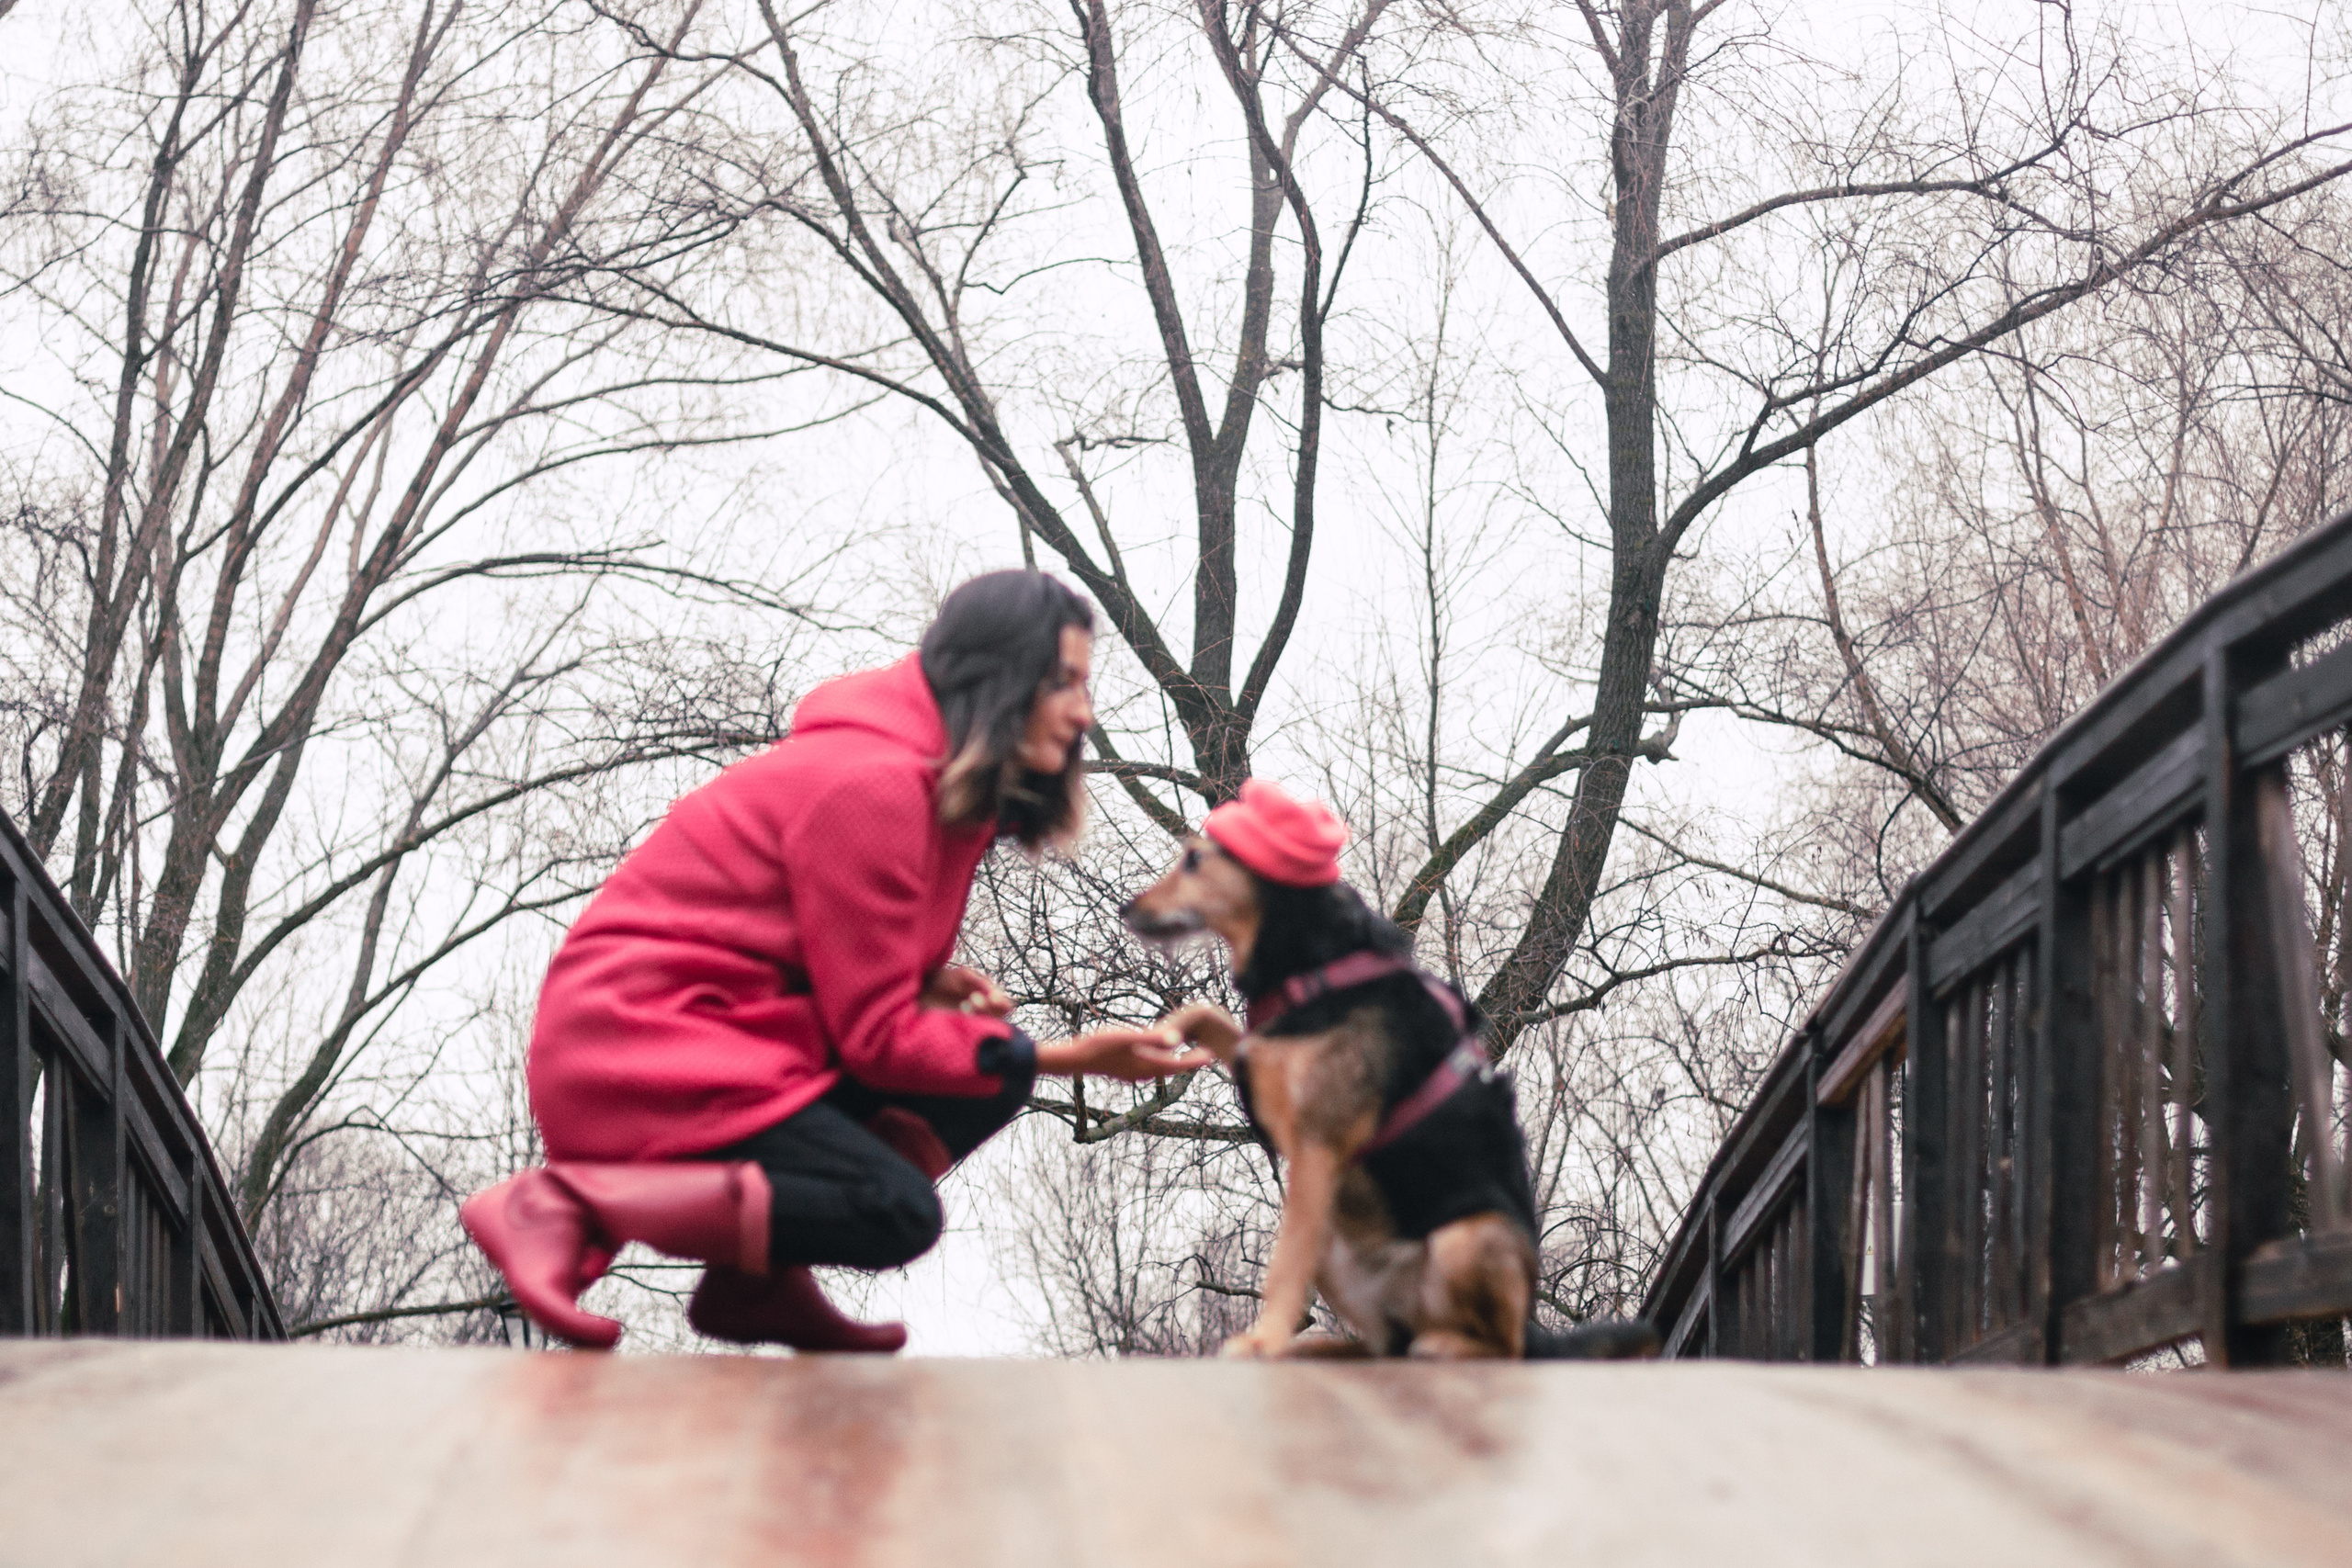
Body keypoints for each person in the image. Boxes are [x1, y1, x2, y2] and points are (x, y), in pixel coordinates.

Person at [460, 570, 1193, 1350]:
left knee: (985, 1076)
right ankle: (570, 1205)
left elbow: (797, 950)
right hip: (634, 1042)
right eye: (1063, 683)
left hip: (729, 1032)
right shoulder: (873, 787)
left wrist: (923, 983)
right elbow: (874, 1039)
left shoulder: (932, 790)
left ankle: (758, 1284)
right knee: (897, 1209)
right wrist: (1072, 1056)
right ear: (1000, 676)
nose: (1084, 711)